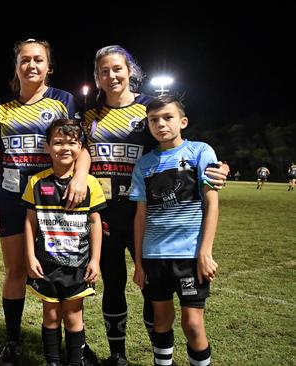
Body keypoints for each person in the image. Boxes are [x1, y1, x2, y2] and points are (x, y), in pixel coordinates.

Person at [80, 45, 229, 366]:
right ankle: (117, 354)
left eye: (117, 68)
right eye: (104, 71)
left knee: (151, 288)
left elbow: (176, 147)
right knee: (114, 283)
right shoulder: (88, 116)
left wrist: (219, 168)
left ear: (130, 71)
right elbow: (80, 154)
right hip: (104, 213)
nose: (111, 75)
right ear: (97, 77)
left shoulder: (149, 108)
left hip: (144, 215)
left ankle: (159, 350)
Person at [0, 38, 94, 366]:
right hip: (11, 197)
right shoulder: (2, 106)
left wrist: (78, 178)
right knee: (16, 269)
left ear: (48, 66)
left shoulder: (64, 101)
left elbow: (82, 147)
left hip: (56, 202)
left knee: (68, 269)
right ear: (16, 67)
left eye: (38, 60)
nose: (31, 65)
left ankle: (78, 343)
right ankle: (13, 341)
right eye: (25, 60)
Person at [131, 95, 219, 366]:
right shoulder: (144, 164)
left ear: (183, 121)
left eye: (167, 118)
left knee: (193, 324)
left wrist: (205, 252)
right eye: (154, 120)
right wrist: (138, 263)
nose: (161, 124)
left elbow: (212, 204)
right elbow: (141, 216)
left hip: (190, 256)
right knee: (161, 321)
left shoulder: (200, 152)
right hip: (154, 256)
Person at [23, 118, 106, 366]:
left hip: (77, 265)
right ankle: (52, 362)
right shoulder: (36, 182)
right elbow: (29, 223)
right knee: (50, 316)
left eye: (72, 143)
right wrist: (30, 256)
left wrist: (95, 260)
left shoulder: (89, 183)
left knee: (73, 316)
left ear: (80, 147)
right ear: (47, 147)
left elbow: (95, 223)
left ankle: (75, 361)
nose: (65, 148)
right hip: (46, 264)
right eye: (58, 143)